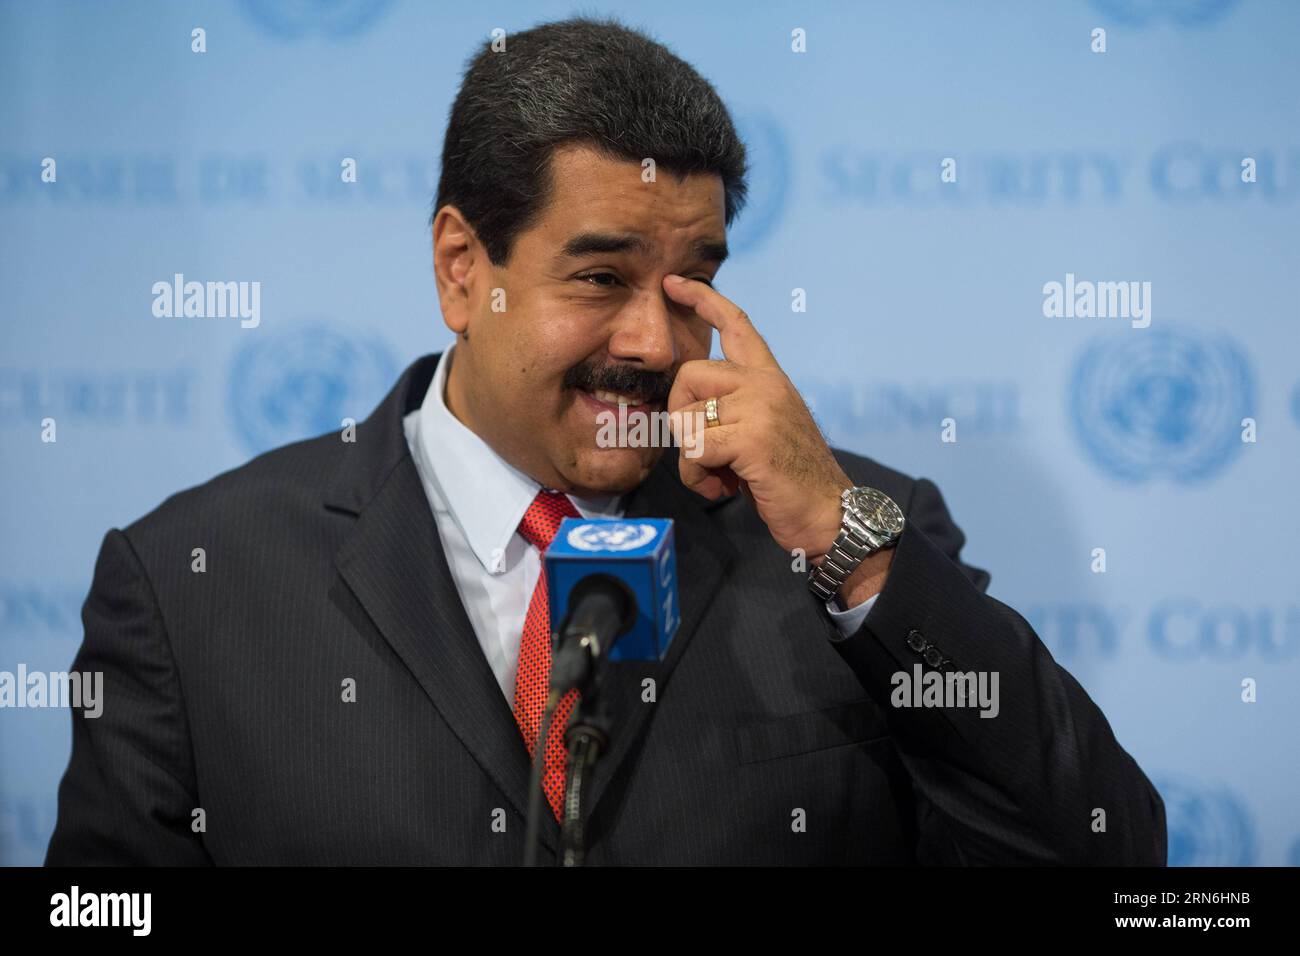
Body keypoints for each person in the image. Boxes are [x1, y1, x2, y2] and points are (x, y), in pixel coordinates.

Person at [46, 17, 1165, 865]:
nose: (652, 337)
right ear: (460, 268)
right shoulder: (192, 582)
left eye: (694, 283)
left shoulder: (846, 535)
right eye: (599, 276)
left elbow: (1107, 850)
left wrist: (846, 541)